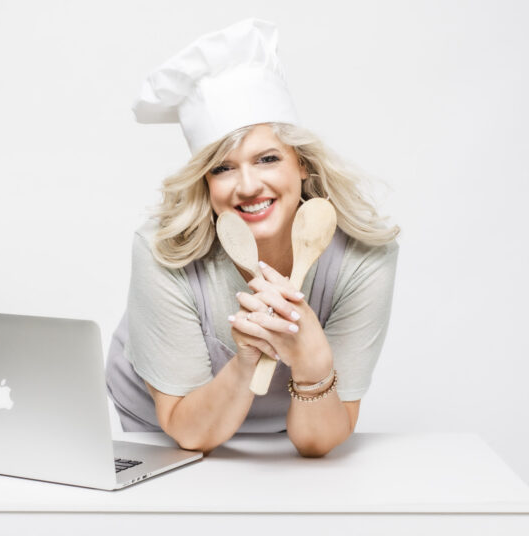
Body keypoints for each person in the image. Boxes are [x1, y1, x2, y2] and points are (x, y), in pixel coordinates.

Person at [105, 18, 399, 457]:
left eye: (266, 159)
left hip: (292, 431)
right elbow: (189, 432)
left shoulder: (363, 257)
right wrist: (245, 361)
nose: (247, 186)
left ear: (301, 163)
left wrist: (313, 358)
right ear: (205, 181)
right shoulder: (163, 251)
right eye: (222, 168)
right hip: (167, 435)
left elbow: (317, 443)